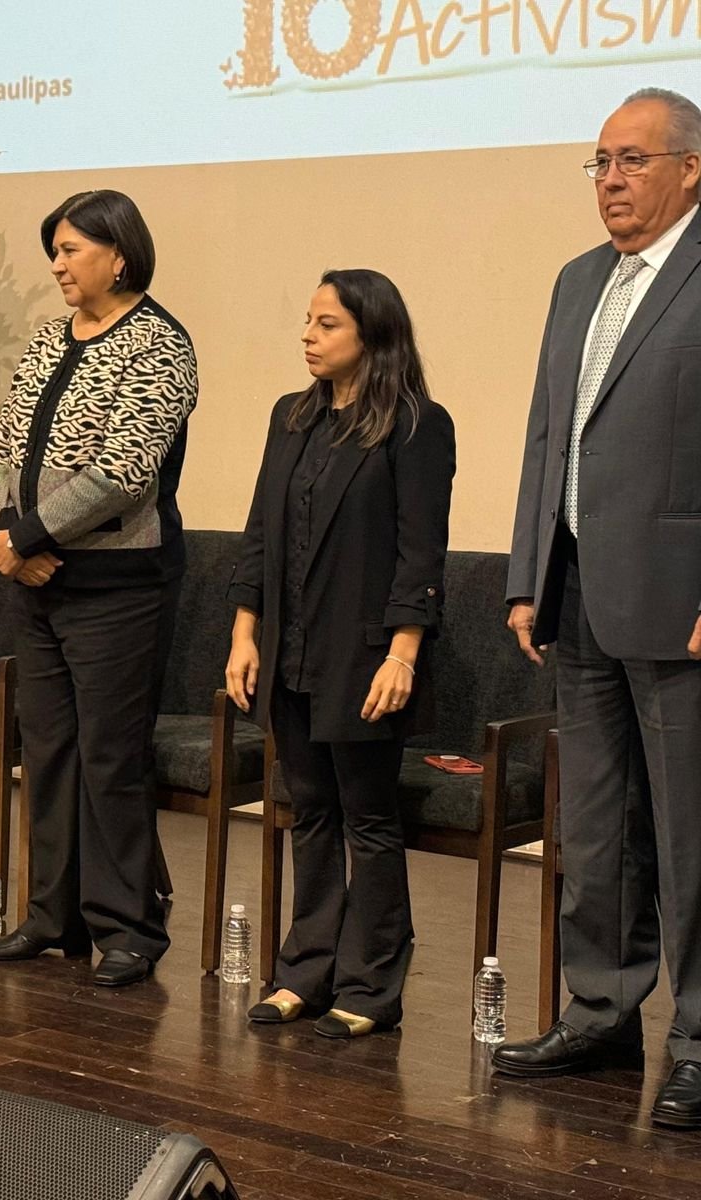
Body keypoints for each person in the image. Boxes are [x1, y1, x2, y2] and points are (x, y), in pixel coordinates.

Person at [495, 88, 701, 1128]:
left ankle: (699, 1039)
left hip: (680, 601)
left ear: (690, 169)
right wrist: (527, 573)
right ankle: (601, 1011)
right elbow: (549, 434)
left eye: (632, 160)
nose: (610, 180)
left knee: (691, 837)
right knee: (595, 827)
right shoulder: (579, 279)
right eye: (600, 162)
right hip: (577, 593)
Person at [0, 189, 197, 988]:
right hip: (36, 581)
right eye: (56, 251)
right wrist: (9, 537)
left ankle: (129, 927)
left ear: (120, 255)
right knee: (50, 751)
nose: (57, 265)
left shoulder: (160, 345)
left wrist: (28, 538)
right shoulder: (50, 338)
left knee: (111, 756)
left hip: (118, 586)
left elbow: (124, 471)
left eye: (71, 250)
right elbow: (1, 447)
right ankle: (53, 916)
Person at [227, 269, 455, 1037]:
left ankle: (371, 985)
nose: (308, 336)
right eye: (308, 320)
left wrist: (403, 654)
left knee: (368, 818)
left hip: (365, 657)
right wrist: (244, 634)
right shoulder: (291, 417)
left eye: (327, 325)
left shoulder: (416, 426)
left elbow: (421, 555)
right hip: (290, 651)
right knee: (311, 811)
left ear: (373, 335)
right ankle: (306, 971)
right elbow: (260, 533)